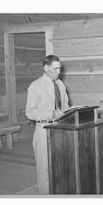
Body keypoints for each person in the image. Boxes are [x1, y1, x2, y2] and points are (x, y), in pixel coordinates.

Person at [25, 55, 69, 194]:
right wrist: (50, 114)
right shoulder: (35, 86)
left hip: (60, 128)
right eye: (55, 69)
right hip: (44, 130)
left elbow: (66, 105)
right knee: (44, 170)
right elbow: (30, 112)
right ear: (46, 68)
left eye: (60, 69)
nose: (58, 72)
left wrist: (70, 112)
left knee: (60, 166)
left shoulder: (60, 84)